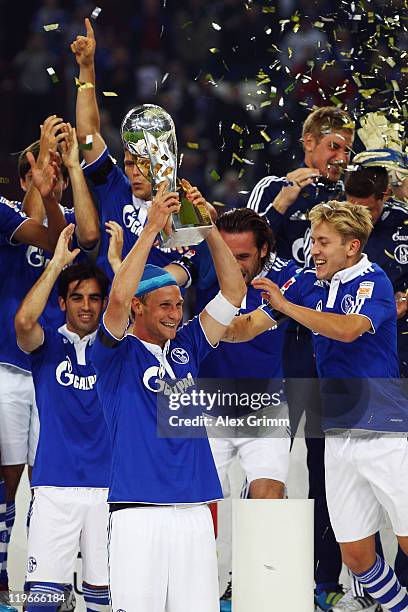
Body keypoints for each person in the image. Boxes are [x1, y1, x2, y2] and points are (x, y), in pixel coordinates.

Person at [229, 200, 408, 612]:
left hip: (383, 426)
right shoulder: (308, 282)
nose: (314, 250)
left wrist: (287, 306)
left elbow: (347, 331)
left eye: (324, 243)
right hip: (338, 431)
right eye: (313, 242)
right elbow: (248, 327)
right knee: (356, 556)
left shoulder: (373, 280)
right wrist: (202, 327)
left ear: (352, 246)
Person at [91, 182, 246, 612]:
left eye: (179, 305)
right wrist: (151, 228)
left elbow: (233, 292)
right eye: (164, 306)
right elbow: (119, 295)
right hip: (138, 511)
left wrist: (207, 227)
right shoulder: (114, 353)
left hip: (196, 508)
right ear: (139, 309)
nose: (176, 314)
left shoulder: (188, 346)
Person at [248, 106, 355, 610]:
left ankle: (325, 575)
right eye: (333, 145)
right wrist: (283, 203)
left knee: (323, 465)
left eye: (346, 148)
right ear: (308, 142)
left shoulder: (346, 202)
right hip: (278, 352)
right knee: (260, 462)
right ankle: (249, 568)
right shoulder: (274, 186)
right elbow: (245, 249)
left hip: (323, 355)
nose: (340, 156)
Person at [0, 118, 99, 600]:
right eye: (37, 171)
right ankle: (2, 575)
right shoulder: (4, 217)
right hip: (7, 367)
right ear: (23, 178)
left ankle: (52, 581)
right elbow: (39, 232)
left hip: (52, 371)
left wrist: (55, 189)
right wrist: (42, 157)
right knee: (6, 477)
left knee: (50, 480)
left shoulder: (61, 220)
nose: (47, 175)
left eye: (56, 171)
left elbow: (71, 245)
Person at [191, 208, 297, 610]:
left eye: (243, 258)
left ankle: (257, 591)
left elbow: (242, 328)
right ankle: (201, 586)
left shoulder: (287, 278)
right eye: (226, 255)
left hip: (265, 409)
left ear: (264, 251)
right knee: (201, 506)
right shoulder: (203, 267)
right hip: (206, 409)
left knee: (268, 496)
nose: (232, 267)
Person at [14, 225, 111, 612]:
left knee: (106, 601)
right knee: (40, 602)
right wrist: (55, 264)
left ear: (104, 304)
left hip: (111, 490)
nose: (86, 305)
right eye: (77, 298)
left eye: (93, 298)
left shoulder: (117, 348)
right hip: (55, 488)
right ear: (62, 303)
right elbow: (23, 323)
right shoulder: (48, 345)